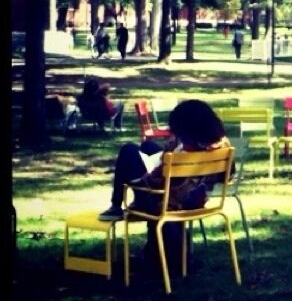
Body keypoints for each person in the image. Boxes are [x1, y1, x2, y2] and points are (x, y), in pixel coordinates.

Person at [97, 100, 232, 261]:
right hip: (194, 199)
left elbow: (154, 182)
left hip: (163, 201)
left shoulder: (181, 153)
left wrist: (149, 173)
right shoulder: (222, 144)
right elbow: (227, 177)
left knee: (129, 150)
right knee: (148, 146)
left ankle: (115, 205)